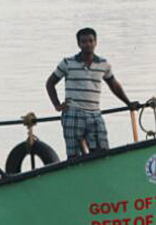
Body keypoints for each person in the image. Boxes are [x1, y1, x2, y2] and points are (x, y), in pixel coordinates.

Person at [46, 28, 136, 158]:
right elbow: (50, 83)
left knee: (102, 152)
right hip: (73, 113)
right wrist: (57, 105)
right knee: (74, 156)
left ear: (95, 42)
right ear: (78, 44)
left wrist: (128, 103)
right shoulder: (67, 63)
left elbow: (114, 85)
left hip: (95, 114)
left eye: (90, 41)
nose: (88, 44)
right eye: (84, 41)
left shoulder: (103, 64)